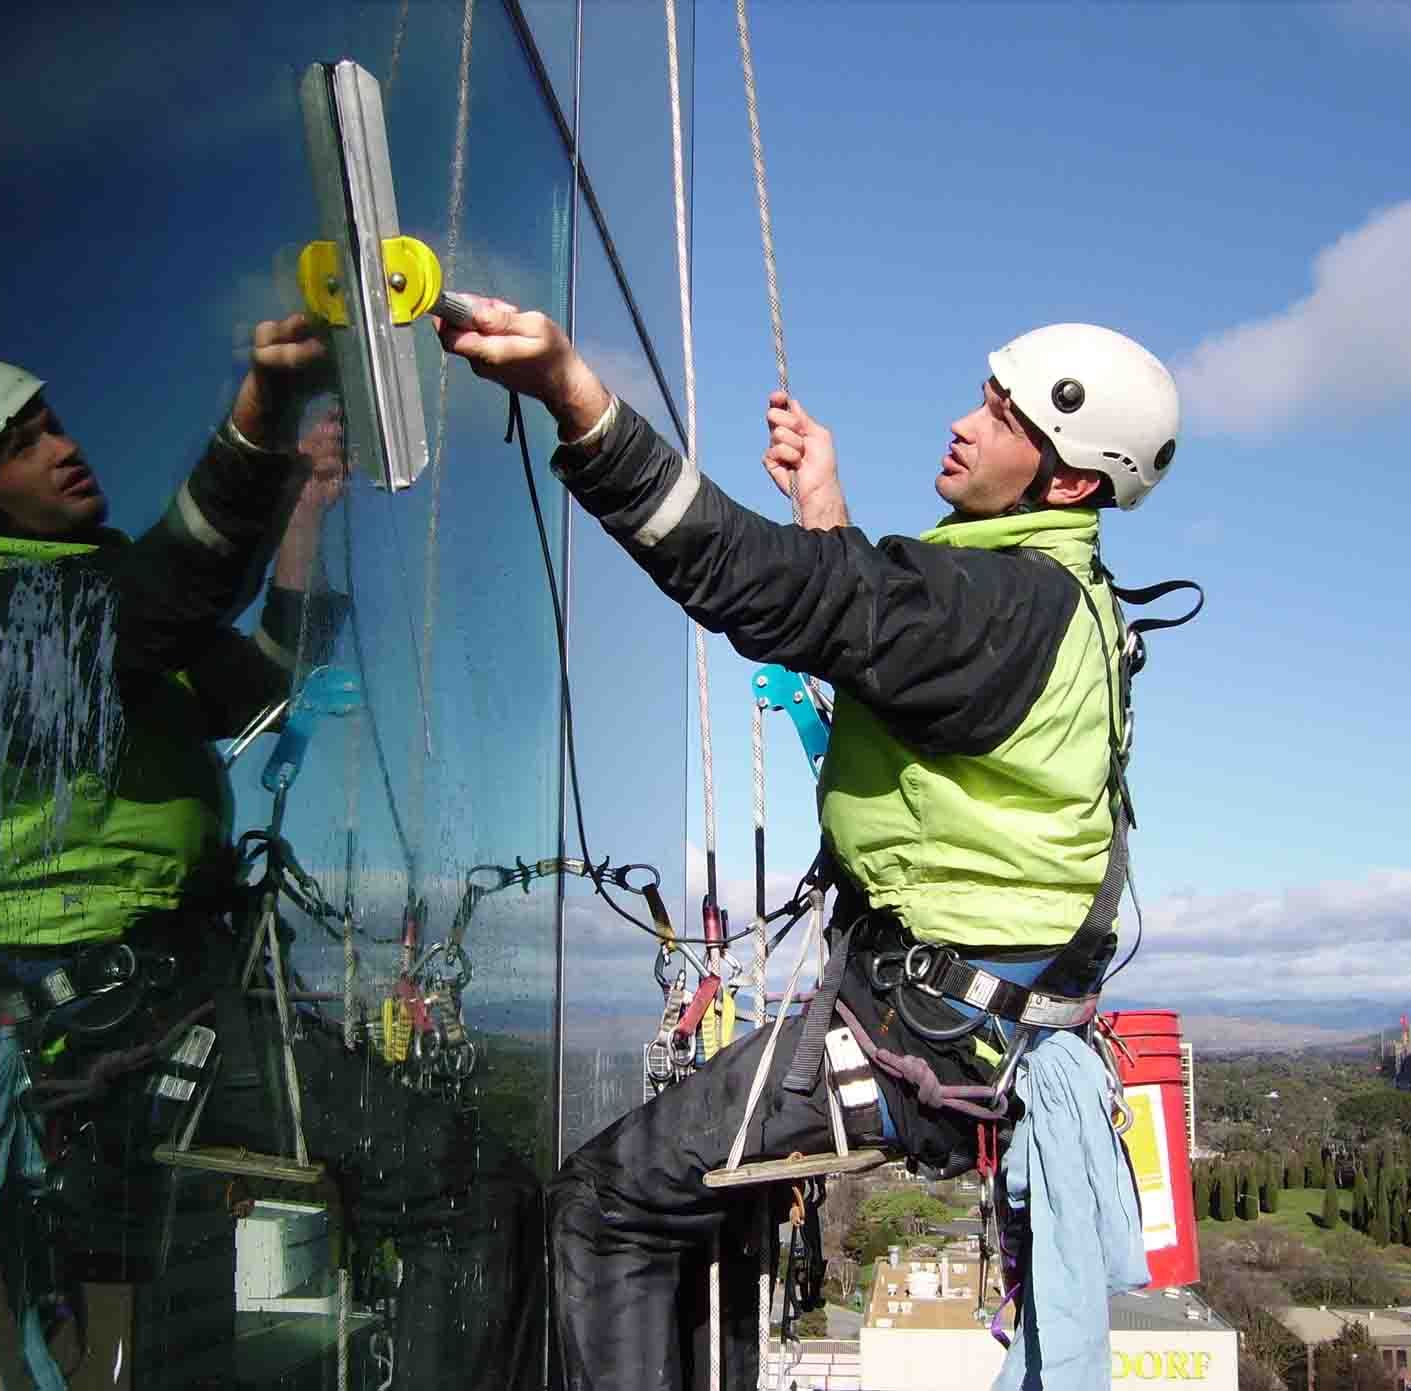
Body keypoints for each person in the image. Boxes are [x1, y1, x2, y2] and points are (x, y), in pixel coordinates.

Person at [438, 297, 1185, 1390]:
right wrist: (823, 508)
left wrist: (579, 402)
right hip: (977, 1019)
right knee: (705, 1200)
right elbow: (877, 628)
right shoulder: (1055, 598)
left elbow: (778, 589)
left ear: (1067, 481)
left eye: (1003, 418)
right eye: (982, 399)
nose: (966, 425)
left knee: (602, 1204)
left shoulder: (1006, 602)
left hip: (924, 1028)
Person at [0, 317, 543, 1390]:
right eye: (21, 446)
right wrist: (261, 419)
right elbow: (175, 589)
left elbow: (263, 680)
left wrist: (304, 514)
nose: (61, 446)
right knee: (462, 1188)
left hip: (159, 1009)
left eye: (50, 423)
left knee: (208, 1321)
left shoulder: (96, 616)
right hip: (125, 1020)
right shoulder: (16, 630)